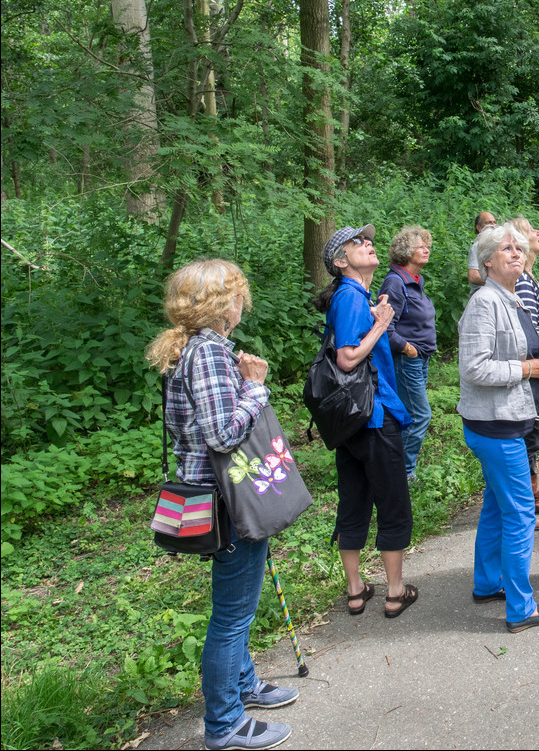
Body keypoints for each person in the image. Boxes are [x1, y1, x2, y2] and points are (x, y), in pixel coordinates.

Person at [147, 259, 296, 751]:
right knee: (232, 615)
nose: (241, 303)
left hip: (216, 494)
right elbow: (222, 433)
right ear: (225, 303)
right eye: (238, 295)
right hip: (226, 499)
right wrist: (255, 387)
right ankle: (224, 724)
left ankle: (244, 685)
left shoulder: (189, 349)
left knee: (235, 609)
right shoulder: (208, 354)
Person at [458, 223, 539, 633]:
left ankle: (487, 583)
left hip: (505, 418)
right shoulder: (485, 302)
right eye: (506, 248)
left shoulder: (512, 296)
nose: (516, 253)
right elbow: (474, 366)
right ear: (487, 261)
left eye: (519, 248)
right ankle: (521, 608)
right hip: (494, 425)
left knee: (497, 506)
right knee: (520, 513)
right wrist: (527, 368)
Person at [314, 225, 418, 622]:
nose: (368, 243)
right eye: (357, 243)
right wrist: (381, 323)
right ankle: (395, 592)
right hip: (374, 417)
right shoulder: (351, 295)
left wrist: (375, 316)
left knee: (354, 500)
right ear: (341, 262)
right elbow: (347, 358)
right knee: (392, 502)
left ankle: (356, 590)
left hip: (351, 421)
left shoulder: (353, 296)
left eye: (367, 239)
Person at [509, 217, 539, 525]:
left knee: (534, 434)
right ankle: (523, 502)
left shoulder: (529, 276)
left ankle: (532, 495)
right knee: (528, 434)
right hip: (533, 370)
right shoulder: (523, 283)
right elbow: (529, 331)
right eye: (531, 230)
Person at [380, 226, 437, 487]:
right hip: (408, 360)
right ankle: (401, 473)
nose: (426, 249)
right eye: (420, 246)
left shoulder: (415, 280)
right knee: (419, 415)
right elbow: (385, 328)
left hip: (420, 359)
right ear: (405, 251)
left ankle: (397, 469)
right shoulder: (395, 282)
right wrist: (407, 348)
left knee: (410, 413)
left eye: (427, 245)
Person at [467, 211, 498, 296]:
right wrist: (497, 281)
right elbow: (473, 277)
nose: (493, 226)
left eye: (494, 222)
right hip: (482, 297)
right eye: (488, 223)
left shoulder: (498, 247)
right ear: (479, 227)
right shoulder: (478, 246)